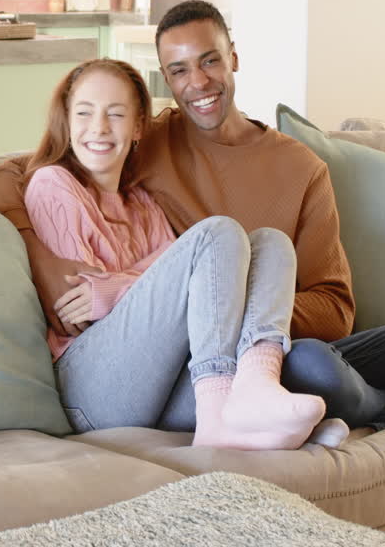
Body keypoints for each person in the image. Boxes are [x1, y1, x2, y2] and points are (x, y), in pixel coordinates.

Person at [0, 0, 385, 435]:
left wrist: (233, 312)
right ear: (165, 84)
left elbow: (336, 309)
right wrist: (38, 253)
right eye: (178, 71)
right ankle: (360, 408)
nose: (197, 83)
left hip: (272, 344)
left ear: (234, 58)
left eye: (209, 60)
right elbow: (14, 171)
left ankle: (369, 413)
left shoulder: (300, 168)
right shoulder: (145, 142)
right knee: (315, 370)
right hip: (196, 362)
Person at [21, 57, 335, 450]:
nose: (98, 128)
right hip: (89, 390)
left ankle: (257, 385)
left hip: (152, 383)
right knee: (218, 233)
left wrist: (117, 286)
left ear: (137, 127)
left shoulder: (143, 202)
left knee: (271, 243)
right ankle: (220, 410)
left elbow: (155, 295)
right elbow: (80, 309)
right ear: (65, 121)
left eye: (115, 114)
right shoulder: (53, 185)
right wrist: (137, 284)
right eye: (84, 113)